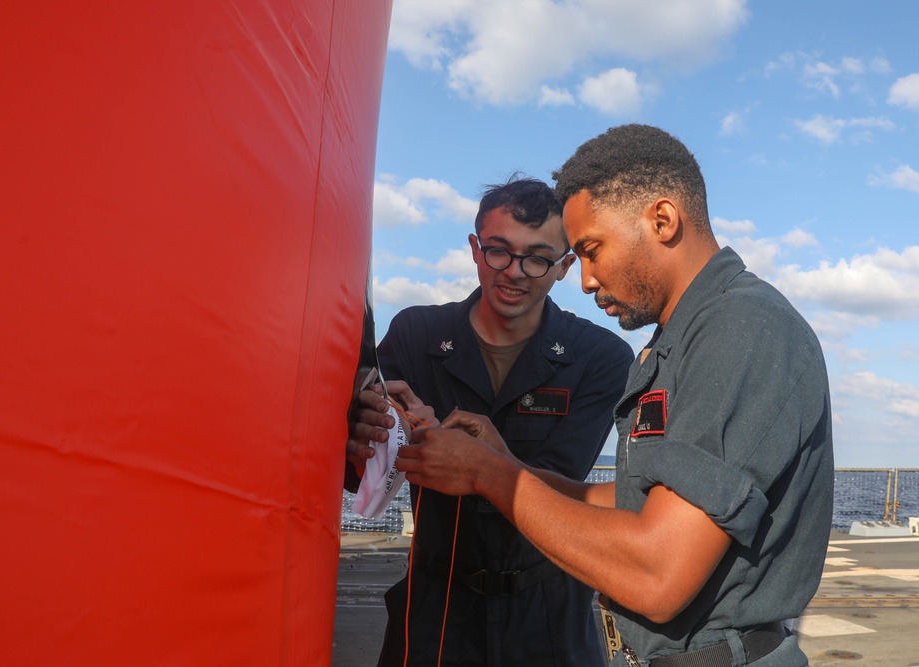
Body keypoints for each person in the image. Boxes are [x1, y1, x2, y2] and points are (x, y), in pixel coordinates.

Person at [396, 125, 835, 667]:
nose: (582, 279)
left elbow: (657, 576)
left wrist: (488, 476)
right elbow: (634, 503)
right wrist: (501, 460)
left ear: (662, 220)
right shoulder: (681, 339)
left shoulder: (742, 327)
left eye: (590, 249)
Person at [347, 176, 634, 666]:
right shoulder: (417, 333)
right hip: (435, 609)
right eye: (499, 251)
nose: (515, 272)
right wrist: (370, 434)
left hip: (549, 612)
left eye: (538, 258)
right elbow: (363, 473)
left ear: (565, 267)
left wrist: (478, 458)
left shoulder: (600, 356)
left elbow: (560, 482)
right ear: (475, 249)